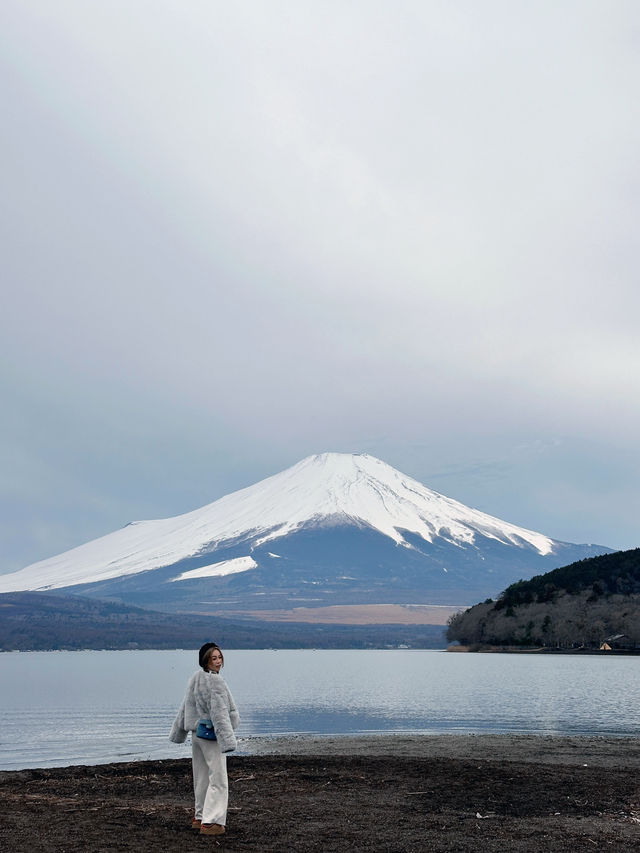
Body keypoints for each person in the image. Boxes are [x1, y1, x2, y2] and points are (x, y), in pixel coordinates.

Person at [170, 642, 240, 836]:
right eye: (213, 658)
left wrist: (178, 732)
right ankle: (212, 822)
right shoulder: (216, 682)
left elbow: (185, 706)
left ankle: (199, 816)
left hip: (197, 733)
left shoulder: (195, 678)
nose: (218, 662)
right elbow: (219, 713)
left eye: (219, 657)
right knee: (218, 778)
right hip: (211, 734)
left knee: (201, 777)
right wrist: (227, 740)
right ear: (205, 660)